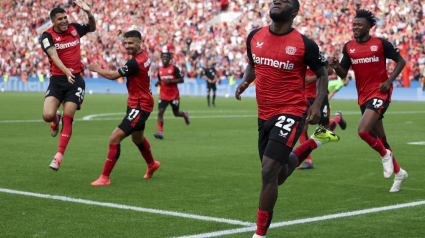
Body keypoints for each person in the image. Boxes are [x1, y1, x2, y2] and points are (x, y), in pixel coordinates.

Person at [235, 1, 340, 237]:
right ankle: (314, 142)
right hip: (264, 114)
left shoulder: (305, 44)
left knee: (268, 171)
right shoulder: (254, 36)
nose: (276, 2)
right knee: (278, 175)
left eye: (283, 1)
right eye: (274, 1)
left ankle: (259, 233)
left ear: (294, 12)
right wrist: (245, 80)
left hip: (292, 111)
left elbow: (323, 74)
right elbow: (252, 65)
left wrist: (316, 104)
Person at [330, 9, 407, 192]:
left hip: (380, 92)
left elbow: (401, 61)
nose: (355, 27)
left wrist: (389, 81)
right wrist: (335, 67)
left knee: (363, 131)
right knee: (381, 138)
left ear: (368, 27)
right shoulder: (349, 47)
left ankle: (385, 155)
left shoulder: (380, 44)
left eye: (359, 24)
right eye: (354, 24)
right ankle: (399, 173)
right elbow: (343, 72)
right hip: (363, 96)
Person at [89, 30, 160, 186]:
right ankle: (152, 164)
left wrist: (96, 69)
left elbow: (113, 76)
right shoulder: (144, 54)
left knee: (115, 138)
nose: (127, 46)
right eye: (125, 43)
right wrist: (124, 36)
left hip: (140, 105)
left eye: (130, 43)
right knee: (137, 138)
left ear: (139, 43)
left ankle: (105, 177)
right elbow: (133, 41)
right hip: (138, 102)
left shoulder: (134, 63)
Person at [40, 1, 96, 171]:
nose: (64, 21)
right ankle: (54, 119)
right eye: (60, 19)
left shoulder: (74, 28)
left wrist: (89, 13)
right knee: (47, 116)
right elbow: (53, 54)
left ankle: (58, 156)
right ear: (53, 22)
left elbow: (92, 28)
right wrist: (65, 70)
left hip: (76, 81)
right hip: (57, 80)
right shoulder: (46, 36)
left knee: (68, 116)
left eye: (65, 17)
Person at [298, 62, 347, 169]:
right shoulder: (295, 54)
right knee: (303, 127)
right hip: (304, 96)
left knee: (326, 129)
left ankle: (338, 117)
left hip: (320, 96)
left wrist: (314, 77)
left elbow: (329, 70)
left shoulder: (315, 53)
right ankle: (308, 161)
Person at [153, 52, 190, 140]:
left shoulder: (174, 68)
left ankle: (184, 114)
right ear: (161, 59)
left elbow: (182, 80)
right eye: (163, 57)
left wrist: (170, 81)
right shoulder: (160, 70)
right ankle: (160, 132)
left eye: (166, 57)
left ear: (170, 59)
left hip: (174, 95)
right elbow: (160, 79)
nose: (165, 58)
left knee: (176, 113)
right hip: (163, 95)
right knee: (160, 112)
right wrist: (158, 83)